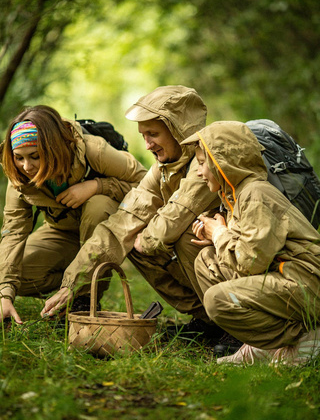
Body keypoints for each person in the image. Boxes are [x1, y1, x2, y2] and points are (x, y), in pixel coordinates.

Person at [40, 85, 224, 341]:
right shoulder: (163, 169)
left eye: (153, 134)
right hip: (220, 263)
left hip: (247, 262)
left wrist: (143, 237)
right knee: (134, 240)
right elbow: (120, 224)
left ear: (179, 130)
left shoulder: (207, 163)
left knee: (181, 239)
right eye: (143, 135)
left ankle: (233, 322)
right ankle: (209, 319)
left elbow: (173, 220)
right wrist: (72, 284)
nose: (147, 144)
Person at [181, 120, 320, 365]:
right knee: (207, 261)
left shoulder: (257, 194)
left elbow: (250, 263)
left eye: (202, 163)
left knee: (217, 300)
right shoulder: (238, 194)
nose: (199, 172)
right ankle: (263, 346)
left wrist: (218, 234)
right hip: (286, 277)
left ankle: (305, 337)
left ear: (223, 162)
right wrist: (219, 236)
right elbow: (256, 252)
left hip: (306, 284)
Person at [0, 105, 146, 324]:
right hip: (61, 233)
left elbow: (146, 184)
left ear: (52, 148)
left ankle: (85, 298)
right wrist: (4, 293)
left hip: (104, 229)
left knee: (98, 204)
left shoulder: (93, 150)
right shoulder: (19, 175)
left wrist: (97, 186)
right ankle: (72, 283)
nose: (26, 166)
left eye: (34, 156)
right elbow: (13, 232)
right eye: (19, 158)